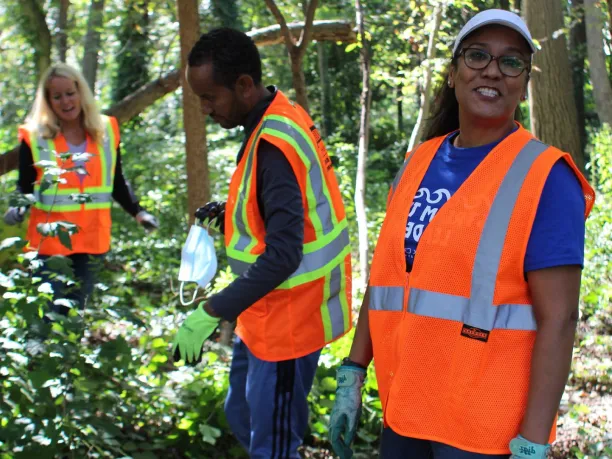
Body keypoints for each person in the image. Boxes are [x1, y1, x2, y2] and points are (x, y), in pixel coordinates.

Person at [328, 9, 595, 459]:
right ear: (452, 74)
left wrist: (533, 441)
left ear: (524, 82)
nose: (492, 69)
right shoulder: (417, 162)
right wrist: (353, 372)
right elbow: (388, 279)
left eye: (511, 61)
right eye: (477, 56)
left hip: (482, 429)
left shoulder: (546, 177)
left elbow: (560, 318)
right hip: (405, 409)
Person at [170, 28, 352, 458]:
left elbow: (285, 253)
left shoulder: (273, 143)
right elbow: (275, 207)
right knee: (244, 416)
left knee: (272, 445)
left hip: (290, 323)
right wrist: (228, 209)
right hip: (262, 318)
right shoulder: (273, 117)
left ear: (244, 86)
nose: (205, 108)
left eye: (209, 97)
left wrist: (211, 311)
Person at [3, 63, 158, 313]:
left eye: (70, 93)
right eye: (57, 96)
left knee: (73, 316)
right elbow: (25, 184)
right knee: (48, 315)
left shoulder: (105, 130)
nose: (65, 101)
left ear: (80, 92)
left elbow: (116, 181)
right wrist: (17, 208)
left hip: (91, 241)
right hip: (50, 243)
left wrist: (138, 212)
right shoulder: (36, 136)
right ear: (48, 101)